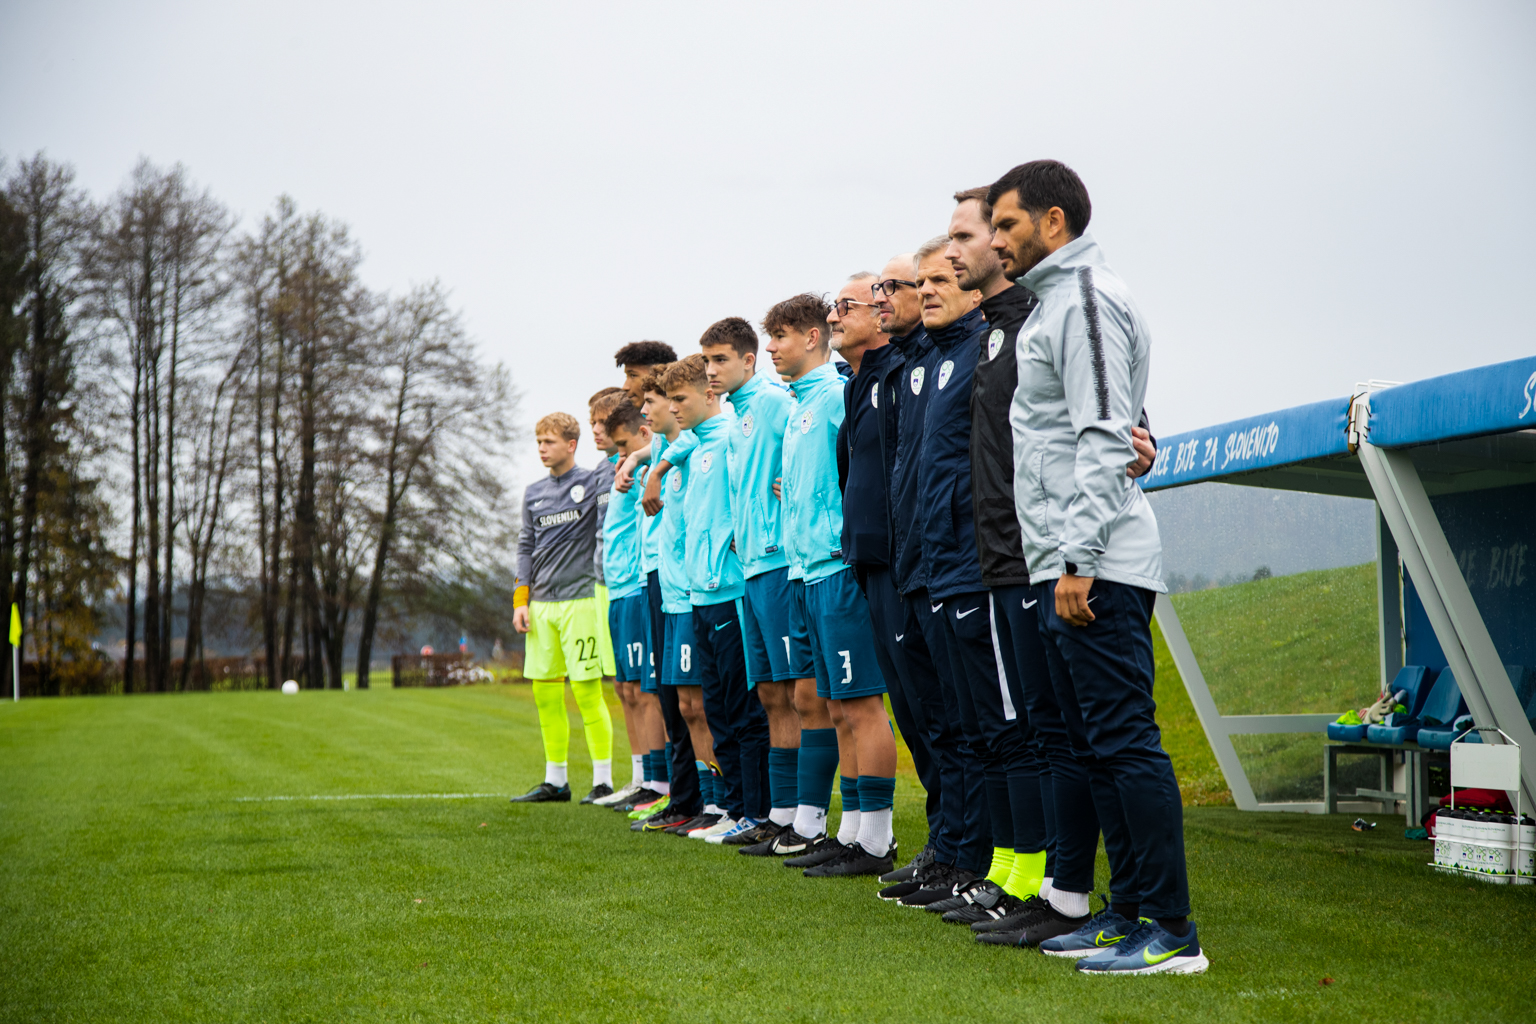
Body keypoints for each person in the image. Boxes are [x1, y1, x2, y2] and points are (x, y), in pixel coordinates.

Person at [990, 159, 1207, 975]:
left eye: (1007, 224)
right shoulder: (1053, 304)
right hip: (1064, 561)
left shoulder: (1085, 297)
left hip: (1099, 562)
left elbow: (1108, 434)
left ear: (1053, 221)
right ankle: (1125, 914)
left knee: (1124, 743)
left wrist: (1079, 558)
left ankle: (1173, 932)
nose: (998, 241)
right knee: (1092, 746)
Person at [766, 292, 900, 877]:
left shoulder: (838, 395)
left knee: (862, 703)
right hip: (805, 571)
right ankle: (850, 831)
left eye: (780, 336)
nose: (771, 348)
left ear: (812, 337)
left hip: (838, 568)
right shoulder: (801, 404)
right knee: (837, 706)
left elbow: (867, 473)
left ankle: (877, 839)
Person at [874, 250, 988, 906]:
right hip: (918, 564)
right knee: (936, 723)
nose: (919, 292)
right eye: (915, 282)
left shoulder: (972, 352)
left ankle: (972, 859)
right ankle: (948, 850)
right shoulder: (918, 365)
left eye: (934, 280)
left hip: (960, 565)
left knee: (973, 727)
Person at [697, 317, 817, 850]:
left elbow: (812, 440)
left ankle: (806, 818)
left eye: (720, 359)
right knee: (770, 694)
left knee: (797, 693)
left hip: (779, 561)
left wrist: (794, 482)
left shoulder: (771, 401)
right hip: (751, 570)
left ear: (748, 361)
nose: (711, 370)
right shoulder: (738, 416)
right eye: (707, 361)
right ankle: (779, 813)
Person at [663, 352, 771, 842]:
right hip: (699, 596)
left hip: (730, 594)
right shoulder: (696, 446)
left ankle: (756, 810)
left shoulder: (729, 439)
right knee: (718, 711)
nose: (673, 408)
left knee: (743, 709)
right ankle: (731, 807)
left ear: (709, 395)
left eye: (680, 398)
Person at [510, 412, 615, 804]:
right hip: (541, 606)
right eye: (538, 442)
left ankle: (603, 781)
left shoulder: (591, 482)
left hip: (581, 602)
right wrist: (521, 600)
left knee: (587, 693)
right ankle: (555, 781)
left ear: (571, 445)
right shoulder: (533, 492)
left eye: (549, 442)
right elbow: (525, 546)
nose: (541, 448)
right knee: (545, 695)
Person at [595, 394, 672, 811]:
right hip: (621, 585)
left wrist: (638, 458)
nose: (599, 433)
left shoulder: (647, 464)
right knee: (627, 688)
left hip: (639, 583)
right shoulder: (622, 467)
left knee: (649, 689)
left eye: (622, 443)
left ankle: (660, 781)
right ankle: (644, 777)